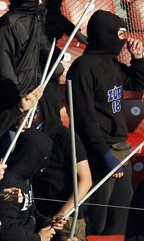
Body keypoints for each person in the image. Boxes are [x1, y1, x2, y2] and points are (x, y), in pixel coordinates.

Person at [67, 10, 144, 235]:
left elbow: (138, 83)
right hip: (98, 152)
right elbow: (84, 118)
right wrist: (104, 155)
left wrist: (137, 57)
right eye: (120, 34)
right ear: (105, 34)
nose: (123, 40)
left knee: (121, 215)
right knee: (96, 219)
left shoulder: (111, 64)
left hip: (120, 148)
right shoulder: (83, 67)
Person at [32, 84, 93, 241]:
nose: (28, 116)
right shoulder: (28, 137)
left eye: (34, 111)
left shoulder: (67, 138)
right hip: (38, 217)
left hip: (66, 220)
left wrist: (62, 213)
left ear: (47, 110)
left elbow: (85, 179)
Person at [0, 129, 68, 241]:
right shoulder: (8, 184)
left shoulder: (26, 180)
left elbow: (30, 213)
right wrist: (38, 238)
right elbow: (5, 230)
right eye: (43, 160)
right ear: (32, 156)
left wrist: (46, 222)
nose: (44, 168)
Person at [0, 0, 46, 116]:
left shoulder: (33, 21)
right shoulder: (7, 26)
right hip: (11, 105)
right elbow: (4, 68)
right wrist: (17, 104)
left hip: (30, 99)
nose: (41, 2)